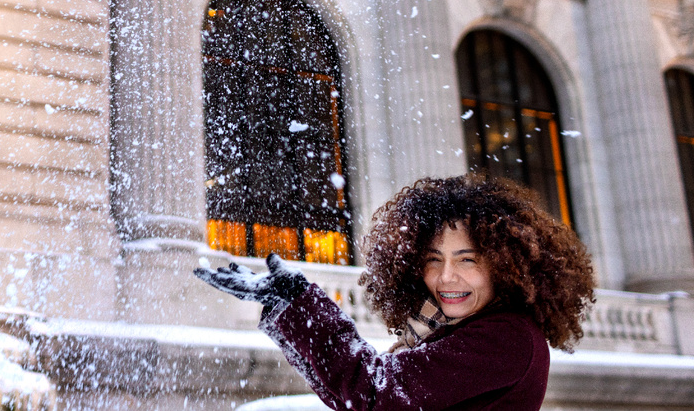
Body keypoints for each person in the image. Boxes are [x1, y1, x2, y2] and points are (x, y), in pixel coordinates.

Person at [195, 175, 595, 410]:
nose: (445, 277)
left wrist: (300, 301)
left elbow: (371, 394)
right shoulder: (448, 329)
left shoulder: (506, 338)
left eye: (467, 260)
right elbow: (355, 397)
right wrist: (286, 305)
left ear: (506, 265)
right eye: (433, 259)